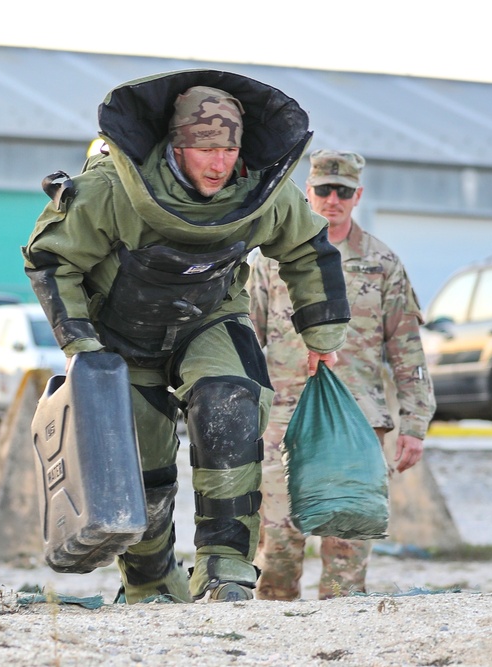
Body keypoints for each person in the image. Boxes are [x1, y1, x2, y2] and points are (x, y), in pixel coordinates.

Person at [22, 71, 350, 603]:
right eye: (204, 149)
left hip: (208, 320)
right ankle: (151, 583)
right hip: (120, 337)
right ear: (176, 145)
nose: (219, 164)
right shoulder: (112, 190)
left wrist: (322, 335)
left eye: (229, 149)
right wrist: (82, 349)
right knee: (143, 466)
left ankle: (225, 570)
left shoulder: (263, 194)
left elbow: (309, 250)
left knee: (231, 404)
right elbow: (51, 259)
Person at [248, 149, 436, 600]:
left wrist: (413, 426)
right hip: (283, 421)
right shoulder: (272, 260)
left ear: (358, 196)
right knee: (276, 547)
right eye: (324, 190)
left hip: (358, 422)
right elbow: (244, 339)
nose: (333, 200)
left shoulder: (381, 263)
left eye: (343, 192)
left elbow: (407, 350)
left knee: (347, 547)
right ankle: (274, 640)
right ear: (307, 193)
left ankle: (339, 642)